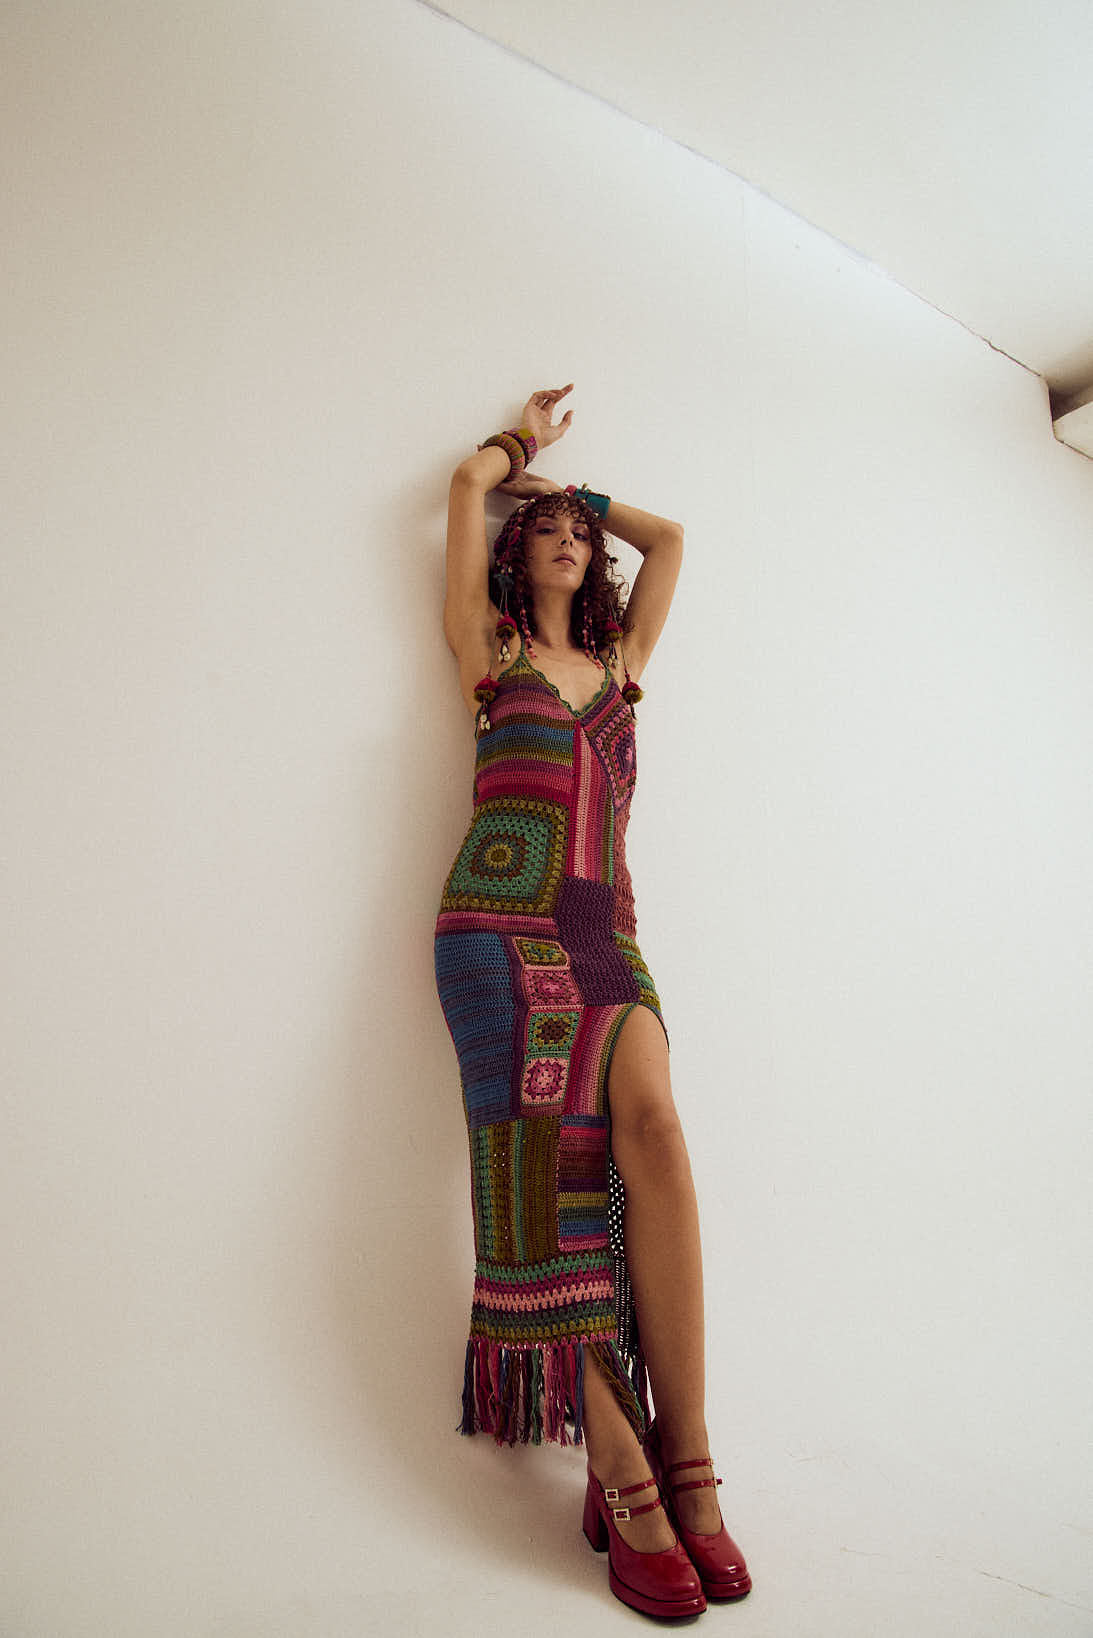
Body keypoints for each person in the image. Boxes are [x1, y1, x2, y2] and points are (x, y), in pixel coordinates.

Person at [433, 386, 750, 1619]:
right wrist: (521, 458)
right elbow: (466, 486)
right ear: (516, 554)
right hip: (495, 930)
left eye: (579, 531)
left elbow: (671, 541)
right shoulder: (490, 652)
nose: (569, 536)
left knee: (654, 1135)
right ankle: (621, 1474)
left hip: (603, 932)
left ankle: (687, 1451)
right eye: (549, 528)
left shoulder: (622, 666)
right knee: (541, 1185)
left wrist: (587, 494)